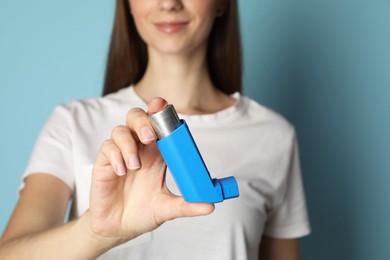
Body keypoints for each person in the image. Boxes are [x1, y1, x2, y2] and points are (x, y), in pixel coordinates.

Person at [0, 0, 311, 259]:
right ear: (128, 6)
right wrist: (94, 232)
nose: (168, 3)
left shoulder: (273, 135)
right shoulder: (73, 122)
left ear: (221, 5)